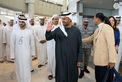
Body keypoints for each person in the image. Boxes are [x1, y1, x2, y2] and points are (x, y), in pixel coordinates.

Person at [46, 12, 83, 82]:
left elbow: (80, 46)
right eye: (62, 19)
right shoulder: (58, 30)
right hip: (61, 60)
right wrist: (48, 31)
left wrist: (79, 59)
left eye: (65, 18)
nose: (63, 20)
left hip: (73, 59)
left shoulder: (76, 31)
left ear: (70, 19)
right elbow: (48, 37)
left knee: (72, 77)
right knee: (61, 77)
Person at [82, 13, 118, 82]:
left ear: (97, 19)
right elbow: (90, 38)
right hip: (98, 61)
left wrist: (112, 60)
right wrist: (78, 41)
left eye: (94, 18)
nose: (93, 20)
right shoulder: (97, 30)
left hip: (105, 62)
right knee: (99, 79)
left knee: (105, 79)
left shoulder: (107, 28)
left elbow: (111, 45)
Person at [10, 16, 35, 82]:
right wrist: (12, 55)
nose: (21, 23)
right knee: (19, 69)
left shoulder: (29, 32)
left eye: (22, 22)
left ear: (25, 23)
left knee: (27, 68)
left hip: (27, 53)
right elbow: (12, 44)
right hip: (17, 53)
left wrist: (33, 53)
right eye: (20, 22)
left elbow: (32, 43)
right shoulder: (14, 32)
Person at [47, 14, 60, 80]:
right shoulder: (49, 26)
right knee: (50, 60)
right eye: (55, 19)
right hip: (50, 46)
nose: (56, 20)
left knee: (57, 60)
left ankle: (56, 73)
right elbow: (46, 36)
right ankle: (50, 73)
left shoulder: (60, 27)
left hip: (58, 46)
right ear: (52, 19)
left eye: (57, 19)